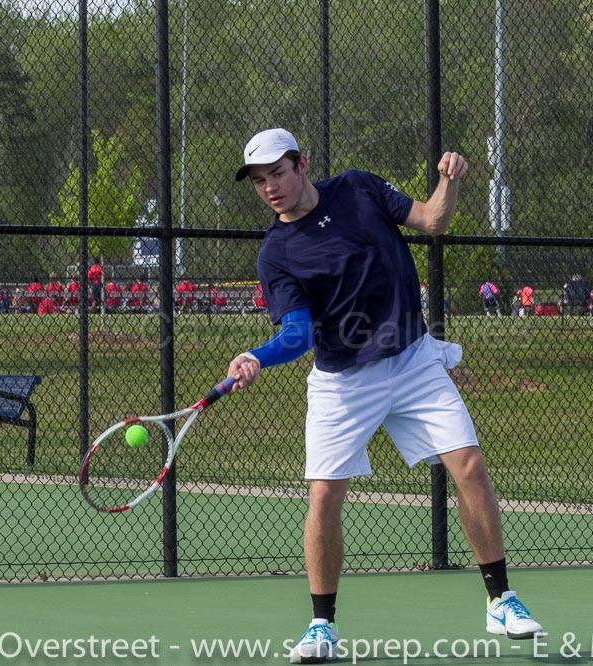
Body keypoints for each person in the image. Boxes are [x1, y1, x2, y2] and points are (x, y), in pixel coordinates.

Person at [224, 128, 542, 663]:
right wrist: (259, 354)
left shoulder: (359, 188)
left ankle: (500, 598)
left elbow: (433, 220)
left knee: (469, 467)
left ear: (302, 164)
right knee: (324, 495)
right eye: (259, 181)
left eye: (277, 173)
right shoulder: (276, 253)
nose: (270, 188)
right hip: (343, 382)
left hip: (414, 359)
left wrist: (450, 181)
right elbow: (298, 333)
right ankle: (322, 625)